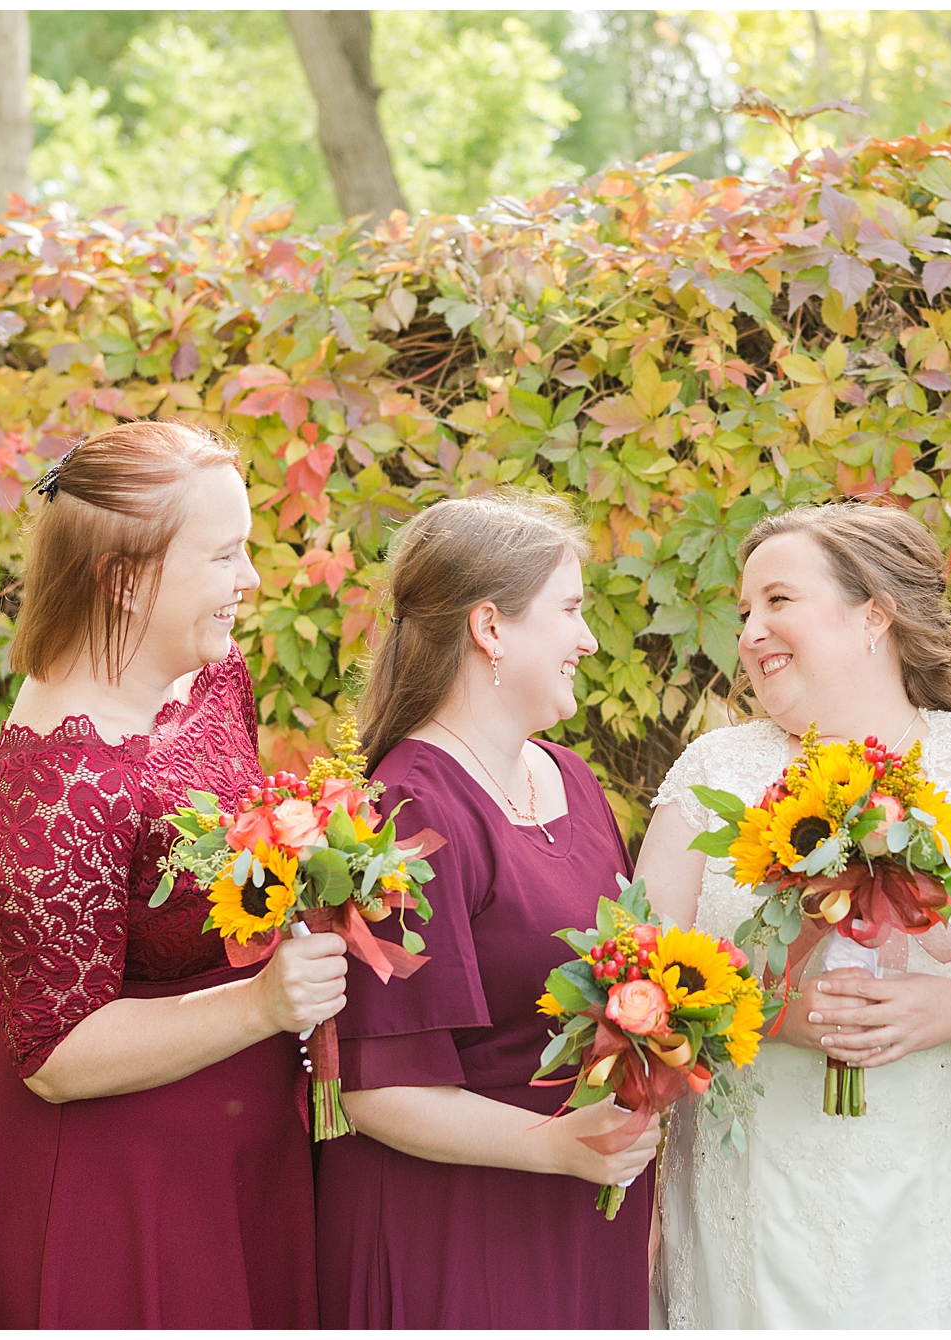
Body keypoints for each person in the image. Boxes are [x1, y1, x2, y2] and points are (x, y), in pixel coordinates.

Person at [0, 422, 348, 1328]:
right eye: (226, 555)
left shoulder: (210, 672)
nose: (253, 581)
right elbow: (55, 1058)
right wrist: (263, 1007)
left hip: (240, 1139)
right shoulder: (54, 780)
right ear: (126, 578)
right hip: (115, 1185)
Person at [638, 502, 951, 1328]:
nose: (753, 631)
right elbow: (640, 976)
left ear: (873, 613)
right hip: (758, 1198)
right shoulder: (715, 771)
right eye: (744, 613)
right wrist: (766, 1014)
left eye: (778, 600)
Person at [314, 493, 659, 1328]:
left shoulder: (570, 780)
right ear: (490, 628)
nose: (588, 640)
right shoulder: (406, 812)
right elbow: (377, 1091)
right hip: (456, 1228)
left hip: (580, 1211)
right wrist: (552, 1147)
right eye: (571, 612)